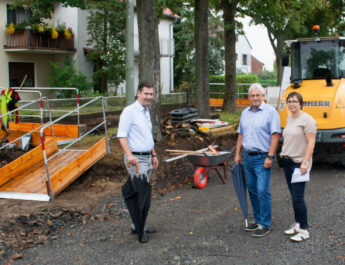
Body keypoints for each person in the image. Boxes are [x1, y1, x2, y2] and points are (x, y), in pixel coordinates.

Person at [234, 83, 281, 237]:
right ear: (249, 97)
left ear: (263, 96)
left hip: (263, 158)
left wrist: (270, 156)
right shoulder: (245, 113)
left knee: (262, 190)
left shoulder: (270, 112)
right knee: (253, 190)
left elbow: (275, 135)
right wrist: (237, 154)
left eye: (257, 95)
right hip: (248, 157)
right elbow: (241, 134)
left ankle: (265, 224)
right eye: (252, 95)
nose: (255, 98)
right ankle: (258, 219)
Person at [117, 81, 159, 243]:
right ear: (138, 93)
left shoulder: (146, 111)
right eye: (146, 94)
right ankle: (141, 230)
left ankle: (139, 225)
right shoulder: (130, 112)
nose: (149, 97)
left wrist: (154, 155)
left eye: (151, 94)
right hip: (135, 159)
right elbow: (122, 136)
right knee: (141, 194)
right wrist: (130, 156)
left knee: (144, 193)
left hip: (147, 157)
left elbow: (147, 136)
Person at [280, 92, 316, 242]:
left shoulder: (307, 120)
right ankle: (297, 224)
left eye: (295, 101)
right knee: (294, 197)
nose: (292, 104)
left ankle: (304, 229)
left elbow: (311, 142)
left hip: (299, 163)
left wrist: (305, 162)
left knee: (298, 197)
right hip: (288, 162)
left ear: (301, 103)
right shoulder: (289, 118)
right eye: (289, 101)